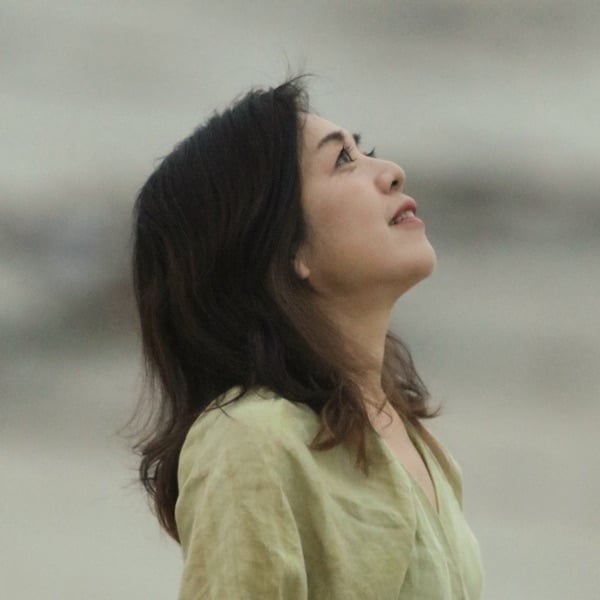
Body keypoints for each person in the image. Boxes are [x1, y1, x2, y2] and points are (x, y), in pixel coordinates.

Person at [131, 77, 483, 599]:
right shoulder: (250, 439)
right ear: (283, 245)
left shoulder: (415, 442)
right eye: (342, 160)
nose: (391, 172)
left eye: (366, 152)